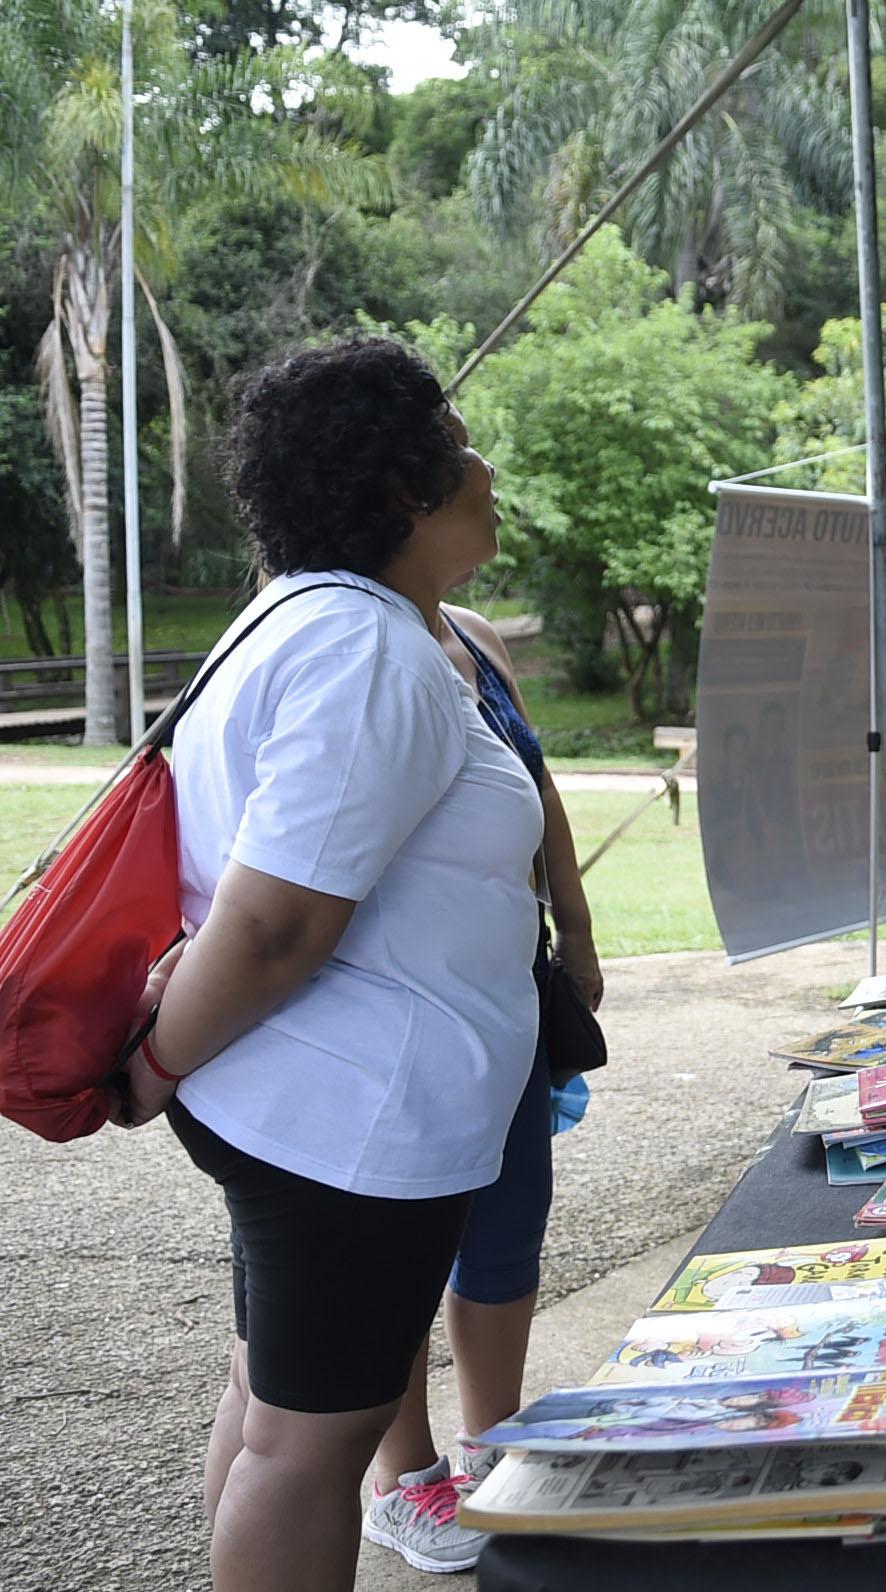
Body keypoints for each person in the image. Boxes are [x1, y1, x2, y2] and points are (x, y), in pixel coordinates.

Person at [115, 337, 544, 1592]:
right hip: (343, 1122)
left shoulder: (317, 620)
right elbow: (274, 922)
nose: (484, 462)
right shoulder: (366, 651)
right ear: (410, 485)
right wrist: (149, 1066)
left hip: (315, 1107)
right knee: (309, 1448)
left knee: (273, 1411)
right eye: (459, 440)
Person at [359, 597, 606, 1574]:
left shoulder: (472, 632)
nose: (499, 519)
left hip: (504, 994)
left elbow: (536, 786)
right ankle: (404, 1477)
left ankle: (493, 1448)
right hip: (394, 1010)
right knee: (397, 1249)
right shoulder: (344, 632)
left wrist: (576, 928)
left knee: (507, 1225)